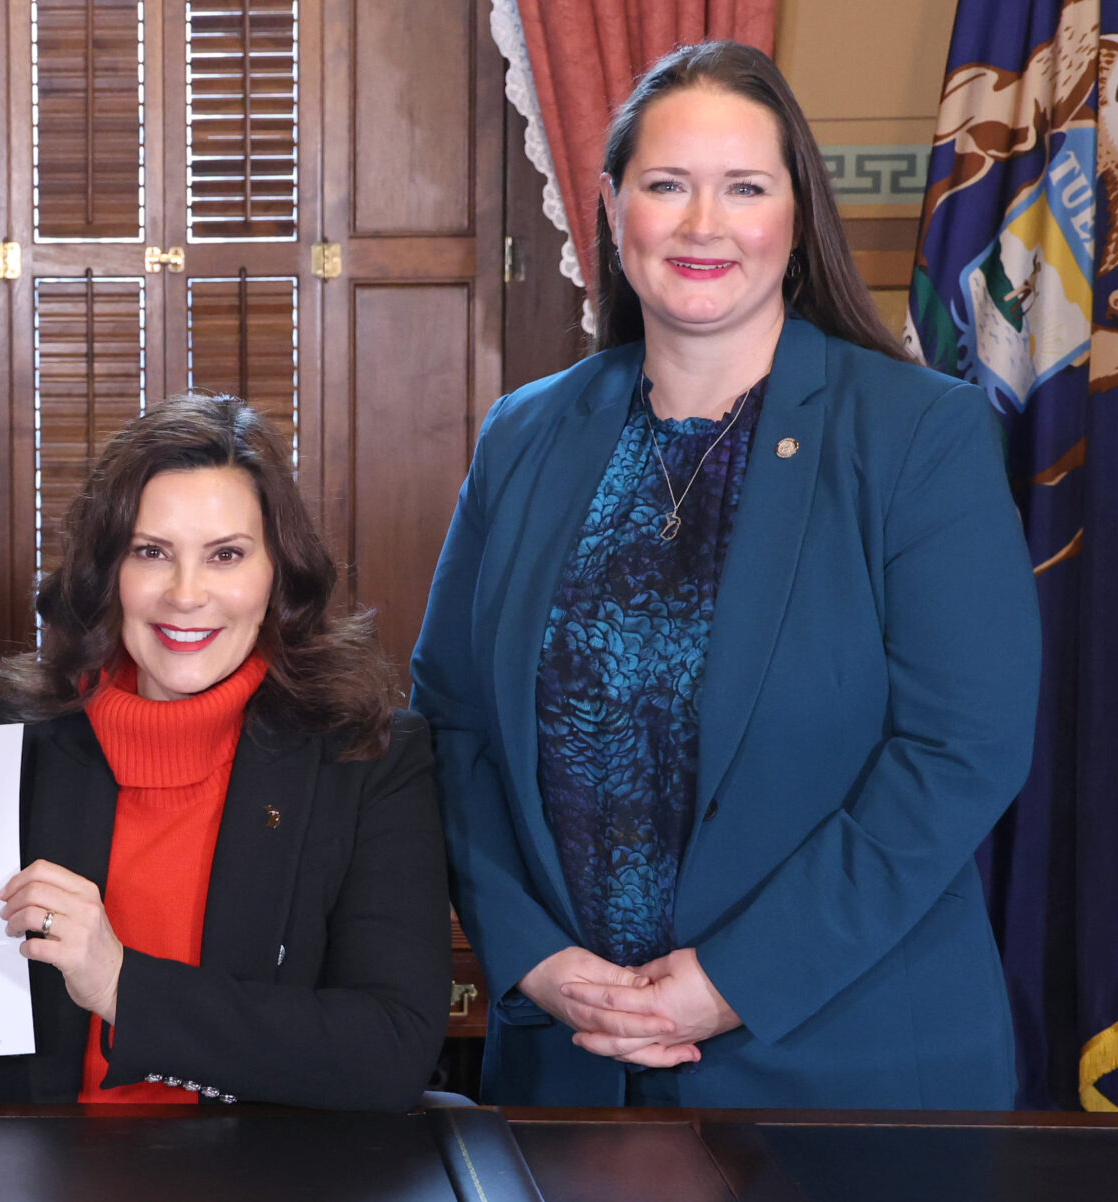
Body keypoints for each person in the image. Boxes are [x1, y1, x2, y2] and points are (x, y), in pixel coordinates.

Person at [411, 41, 1040, 1109]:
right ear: (613, 210)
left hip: (844, 1073)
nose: (703, 225)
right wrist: (528, 958)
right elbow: (449, 724)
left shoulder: (913, 434)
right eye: (666, 185)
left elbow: (959, 751)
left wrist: (730, 982)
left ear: (795, 216)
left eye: (743, 188)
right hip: (572, 1063)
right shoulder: (523, 435)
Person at [0, 393, 449, 1111]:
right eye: (151, 553)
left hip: (269, 1199)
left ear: (278, 572)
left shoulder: (370, 759)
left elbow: (391, 1049)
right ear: (107, 570)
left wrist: (124, 985)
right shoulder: (5, 744)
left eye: (226, 556)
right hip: (35, 1196)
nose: (186, 595)